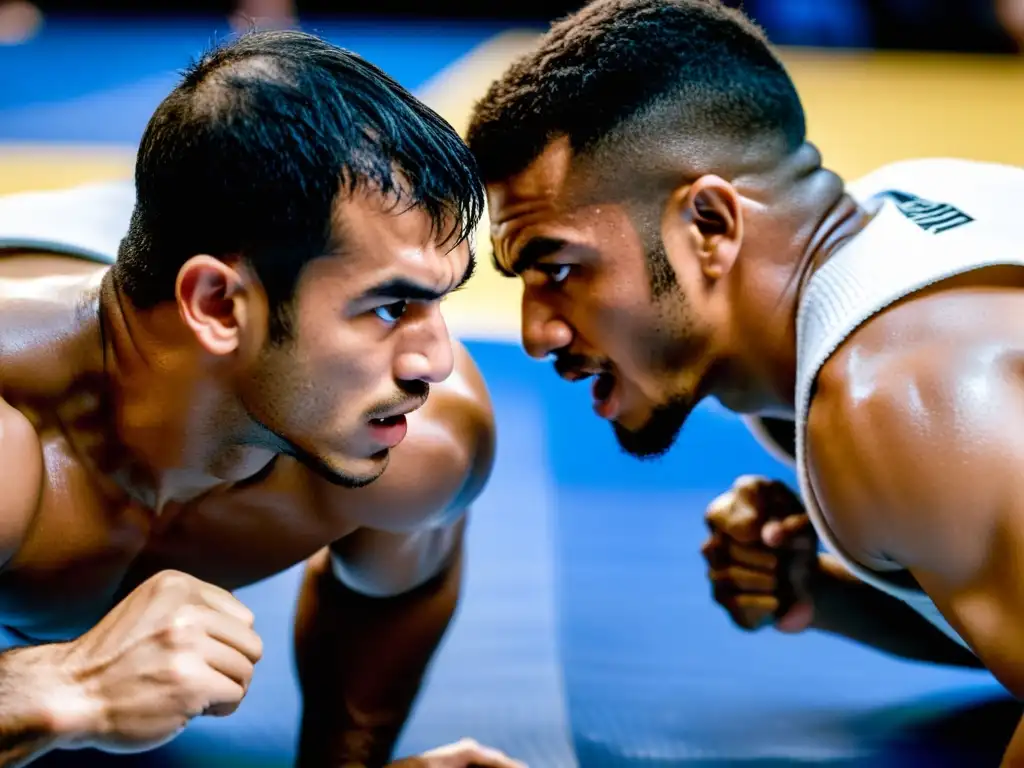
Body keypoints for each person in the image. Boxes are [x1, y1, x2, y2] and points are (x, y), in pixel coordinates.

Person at [466, 0, 1024, 763]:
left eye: (559, 270)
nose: (537, 333)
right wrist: (832, 595)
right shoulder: (912, 207)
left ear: (710, 225)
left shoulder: (893, 402)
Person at [0, 29, 525, 768]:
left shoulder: (423, 445)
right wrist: (46, 686)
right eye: (387, 307)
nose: (435, 361)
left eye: (439, 301)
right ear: (218, 306)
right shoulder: (14, 442)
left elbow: (402, 589)